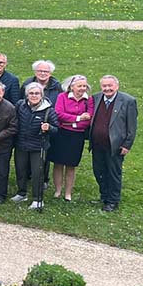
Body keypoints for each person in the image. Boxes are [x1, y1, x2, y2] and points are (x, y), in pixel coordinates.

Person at [90, 75, 138, 212]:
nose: (107, 88)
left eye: (110, 86)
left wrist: (127, 145)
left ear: (116, 86)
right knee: (98, 171)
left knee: (113, 173)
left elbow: (132, 126)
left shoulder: (128, 101)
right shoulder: (96, 98)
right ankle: (104, 196)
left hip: (115, 146)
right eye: (104, 86)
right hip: (98, 144)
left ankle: (113, 201)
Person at [14, 82, 59, 209]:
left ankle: (37, 198)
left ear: (42, 95)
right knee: (20, 170)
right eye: (31, 93)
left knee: (37, 173)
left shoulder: (48, 110)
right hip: (21, 144)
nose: (34, 96)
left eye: (37, 93)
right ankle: (21, 193)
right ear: (27, 95)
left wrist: (48, 127)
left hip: (38, 146)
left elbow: (56, 129)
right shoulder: (20, 105)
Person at [50, 74, 93, 202]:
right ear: (72, 86)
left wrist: (70, 121)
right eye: (79, 86)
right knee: (58, 163)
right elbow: (58, 114)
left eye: (84, 86)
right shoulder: (62, 97)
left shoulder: (88, 100)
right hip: (61, 134)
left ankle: (68, 193)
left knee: (71, 165)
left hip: (77, 136)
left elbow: (88, 119)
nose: (82, 88)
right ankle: (58, 190)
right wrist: (78, 118)